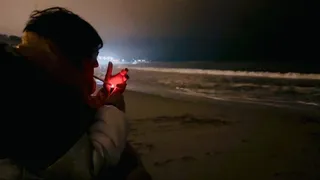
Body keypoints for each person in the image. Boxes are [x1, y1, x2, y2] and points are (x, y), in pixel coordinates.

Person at [0, 7, 151, 180]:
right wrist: (112, 109)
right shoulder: (23, 91)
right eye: (92, 57)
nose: (95, 65)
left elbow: (66, 121)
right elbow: (87, 166)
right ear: (65, 56)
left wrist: (94, 103)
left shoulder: (24, 74)